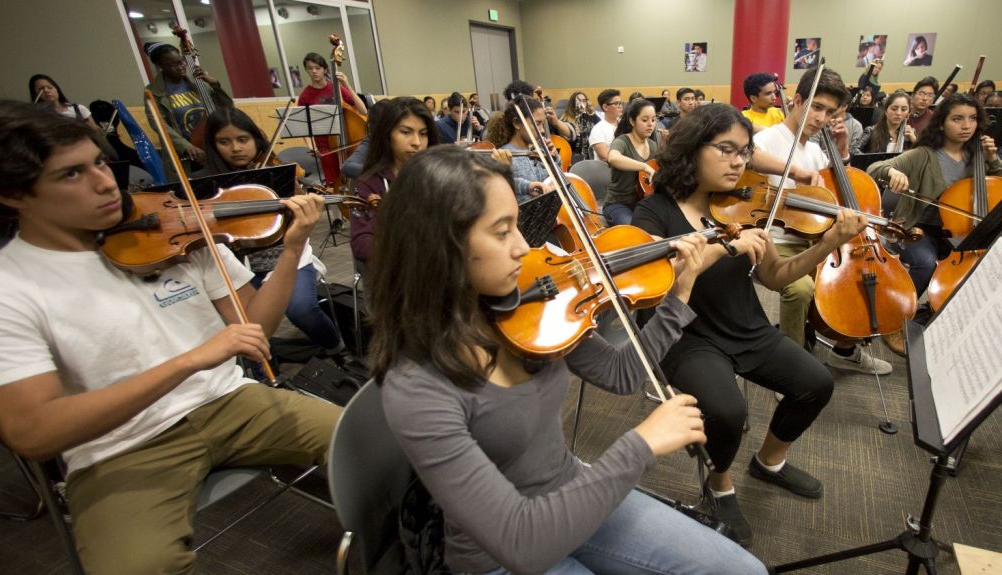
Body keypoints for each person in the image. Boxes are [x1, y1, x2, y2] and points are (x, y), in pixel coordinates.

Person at [0, 99, 339, 573]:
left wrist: (292, 251)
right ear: (10, 194)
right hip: (120, 447)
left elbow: (256, 325)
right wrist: (189, 360)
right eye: (71, 175)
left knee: (376, 438)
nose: (106, 183)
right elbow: (31, 431)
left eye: (99, 162)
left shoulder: (178, 228)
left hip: (230, 401)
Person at [370, 143, 768, 574]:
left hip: (574, 492)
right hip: (501, 555)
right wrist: (640, 445)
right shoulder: (417, 387)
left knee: (744, 571)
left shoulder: (524, 306)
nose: (523, 247)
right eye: (502, 232)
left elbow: (621, 373)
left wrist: (679, 295)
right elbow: (520, 542)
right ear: (440, 247)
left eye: (517, 225)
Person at [632, 103, 866, 547]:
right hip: (684, 335)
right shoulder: (654, 212)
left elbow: (775, 277)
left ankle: (769, 461)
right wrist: (726, 247)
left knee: (816, 383)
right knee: (728, 411)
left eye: (744, 152)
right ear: (692, 149)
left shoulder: (742, 207)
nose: (739, 162)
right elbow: (660, 282)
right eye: (726, 150)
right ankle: (719, 483)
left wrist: (829, 242)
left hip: (744, 324)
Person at [753, 67, 892, 375]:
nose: (821, 118)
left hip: (814, 238)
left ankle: (845, 350)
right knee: (800, 289)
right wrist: (795, 172)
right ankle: (789, 370)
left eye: (829, 112)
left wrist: (842, 149)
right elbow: (748, 156)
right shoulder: (767, 139)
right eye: (816, 107)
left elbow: (841, 189)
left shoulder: (815, 150)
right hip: (776, 242)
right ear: (797, 100)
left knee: (855, 276)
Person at [200, 107, 348, 360]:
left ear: (256, 140)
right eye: (224, 142)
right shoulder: (208, 184)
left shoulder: (275, 171)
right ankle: (262, 368)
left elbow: (298, 220)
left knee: (301, 309)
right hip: (236, 264)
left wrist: (301, 203)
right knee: (241, 323)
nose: (235, 148)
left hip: (286, 253)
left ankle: (337, 348)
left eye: (242, 139)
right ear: (213, 146)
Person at [868, 94, 1002, 352]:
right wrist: (892, 172)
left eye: (972, 119)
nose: (966, 126)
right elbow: (876, 167)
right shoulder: (924, 155)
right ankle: (896, 320)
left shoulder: (978, 156)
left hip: (963, 231)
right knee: (925, 263)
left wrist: (993, 159)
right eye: (957, 119)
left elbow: (998, 185)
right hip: (919, 229)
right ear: (941, 123)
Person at [350, 96, 437, 269]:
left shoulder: (437, 175)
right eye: (406, 132)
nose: (416, 143)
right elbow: (361, 243)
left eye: (423, 134)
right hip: (401, 271)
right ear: (387, 134)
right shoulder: (370, 183)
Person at [143, 42, 233, 170]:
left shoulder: (198, 82)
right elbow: (159, 124)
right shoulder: (154, 92)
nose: (180, 67)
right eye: (172, 65)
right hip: (188, 154)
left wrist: (215, 84)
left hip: (215, 145)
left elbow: (228, 108)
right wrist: (186, 146)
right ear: (159, 65)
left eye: (181, 62)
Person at [298, 52, 368, 186]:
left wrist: (346, 84)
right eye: (310, 68)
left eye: (318, 68)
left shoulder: (337, 88)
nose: (314, 71)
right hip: (325, 147)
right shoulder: (305, 96)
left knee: (358, 181)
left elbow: (363, 110)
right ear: (306, 70)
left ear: (325, 69)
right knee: (334, 183)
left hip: (347, 140)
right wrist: (311, 146)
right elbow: (304, 126)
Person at [602, 98, 658, 225]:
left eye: (653, 120)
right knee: (634, 228)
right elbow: (613, 158)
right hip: (617, 203)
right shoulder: (622, 141)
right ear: (632, 121)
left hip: (644, 203)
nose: (650, 124)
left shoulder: (653, 145)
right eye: (645, 120)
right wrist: (644, 166)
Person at [496, 96, 560, 203]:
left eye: (543, 124)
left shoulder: (541, 150)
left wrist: (553, 159)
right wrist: (526, 186)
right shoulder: (503, 155)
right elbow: (501, 186)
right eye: (537, 123)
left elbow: (557, 179)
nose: (542, 130)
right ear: (517, 123)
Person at [853, 92, 917, 154]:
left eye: (903, 109)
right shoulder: (871, 130)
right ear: (886, 110)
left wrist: (915, 141)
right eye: (894, 109)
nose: (898, 113)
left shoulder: (910, 134)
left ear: (908, 113)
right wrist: (870, 158)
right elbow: (853, 150)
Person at [28, 74, 96, 129]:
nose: (46, 90)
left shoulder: (78, 109)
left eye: (49, 87)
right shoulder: (38, 116)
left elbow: (96, 132)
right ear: (35, 94)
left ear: (57, 89)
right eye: (40, 89)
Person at [560, 90, 600, 161]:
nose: (581, 104)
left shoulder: (592, 116)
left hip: (593, 153)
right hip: (575, 155)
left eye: (584, 101)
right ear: (573, 104)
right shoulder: (566, 119)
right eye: (578, 101)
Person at [587, 88, 622, 161]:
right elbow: (605, 157)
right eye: (616, 103)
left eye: (620, 103)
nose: (620, 106)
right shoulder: (598, 130)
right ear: (605, 107)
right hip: (608, 167)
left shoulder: (625, 124)